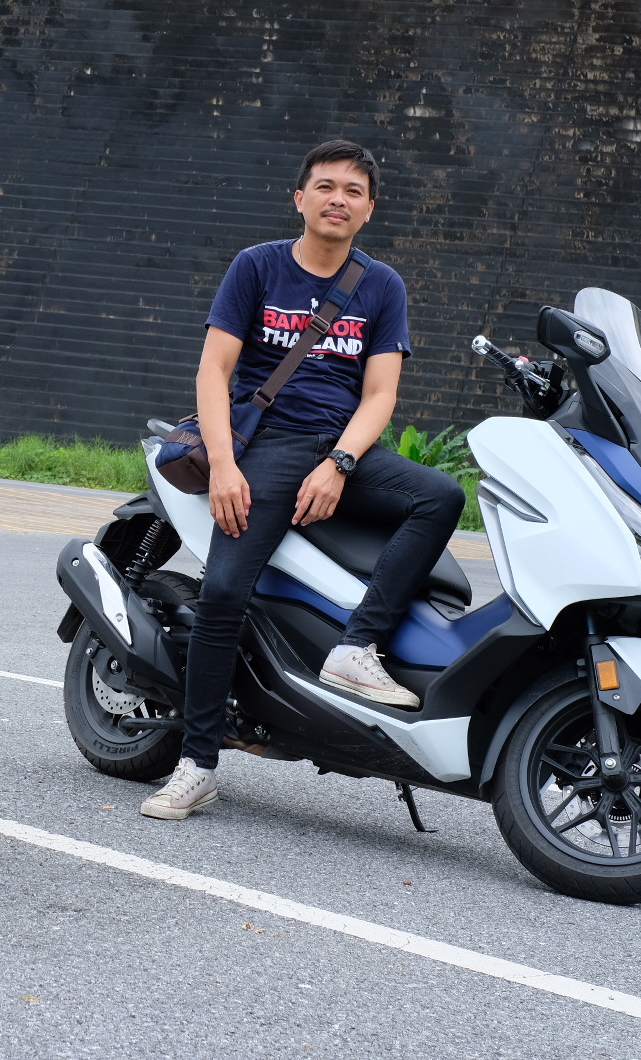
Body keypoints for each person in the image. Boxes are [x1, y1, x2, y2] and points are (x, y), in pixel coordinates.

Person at [140, 139, 466, 821]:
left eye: (353, 191)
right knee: (223, 591)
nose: (337, 199)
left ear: (369, 209)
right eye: (325, 186)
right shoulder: (257, 266)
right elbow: (213, 371)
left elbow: (380, 394)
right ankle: (197, 764)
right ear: (300, 198)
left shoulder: (381, 286)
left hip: (342, 446)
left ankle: (354, 647)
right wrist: (225, 466)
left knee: (440, 497)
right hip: (269, 444)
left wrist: (341, 463)